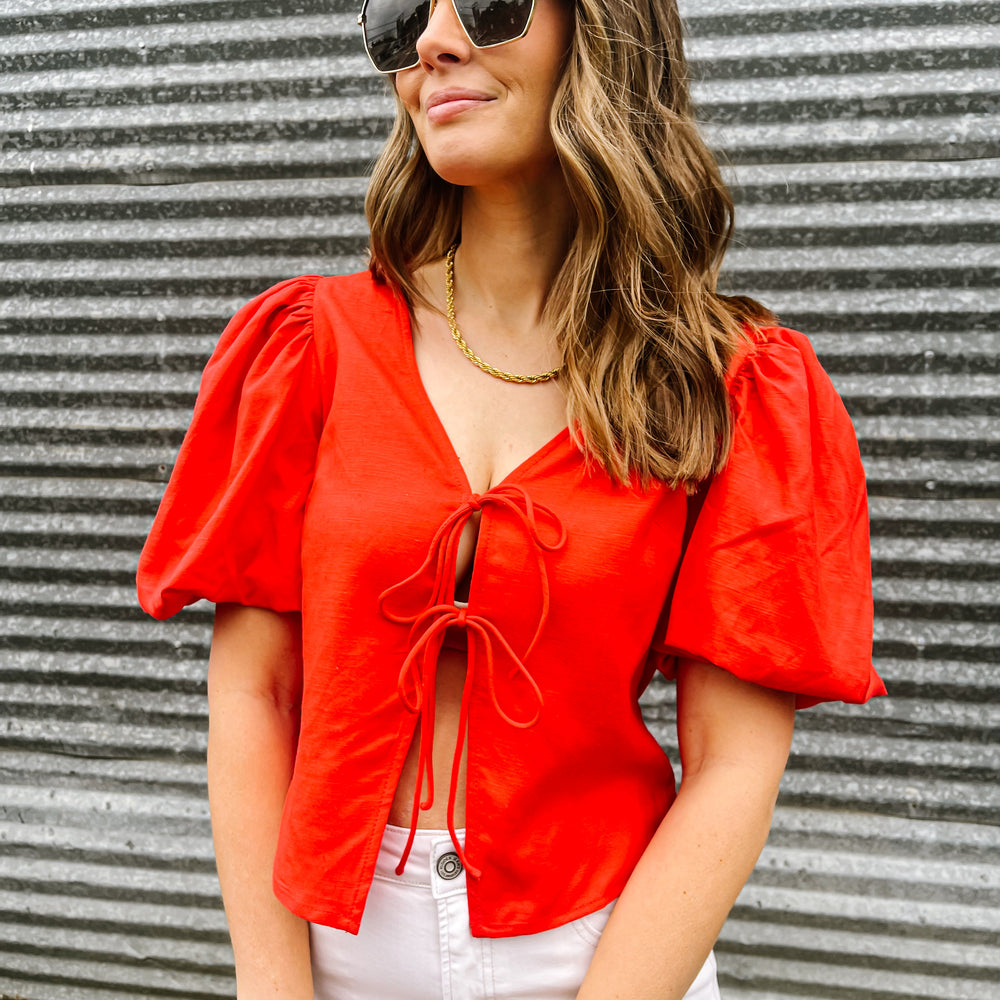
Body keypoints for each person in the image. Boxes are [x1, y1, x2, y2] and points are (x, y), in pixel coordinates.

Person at [137, 0, 887, 996]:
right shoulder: (307, 346)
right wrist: (272, 987)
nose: (435, 42)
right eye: (402, 15)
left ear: (604, 31)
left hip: (605, 942)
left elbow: (733, 765)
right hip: (334, 947)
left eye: (487, 4)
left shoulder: (731, 386)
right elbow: (251, 692)